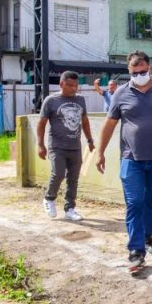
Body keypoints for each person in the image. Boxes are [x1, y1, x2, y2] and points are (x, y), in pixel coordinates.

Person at [96, 51, 152, 274]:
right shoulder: (121, 94)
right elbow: (109, 124)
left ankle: (147, 238)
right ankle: (136, 251)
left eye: (143, 71)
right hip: (131, 159)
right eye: (136, 73)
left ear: (150, 68)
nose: (140, 75)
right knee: (134, 202)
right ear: (129, 71)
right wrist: (100, 152)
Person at [37, 71, 94, 221]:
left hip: (75, 146)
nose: (73, 88)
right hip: (57, 145)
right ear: (61, 84)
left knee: (73, 178)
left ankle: (70, 208)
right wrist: (40, 145)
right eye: (70, 85)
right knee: (58, 173)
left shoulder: (80, 100)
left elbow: (85, 121)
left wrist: (89, 139)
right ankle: (49, 198)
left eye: (76, 85)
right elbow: (41, 124)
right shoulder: (51, 100)